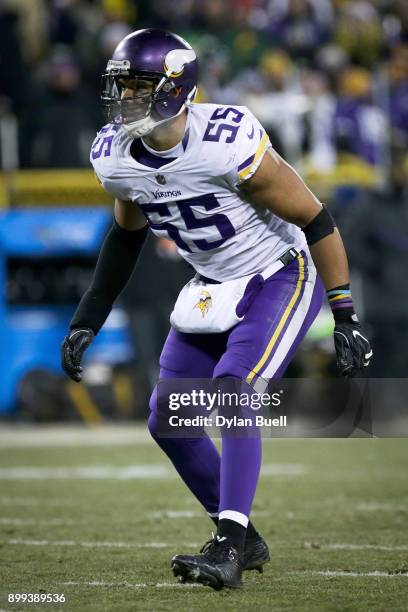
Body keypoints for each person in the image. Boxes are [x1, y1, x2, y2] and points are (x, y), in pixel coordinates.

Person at [61, 28, 373, 590]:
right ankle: (243, 536)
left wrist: (344, 313)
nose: (122, 99)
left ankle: (228, 546)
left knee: (234, 390)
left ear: (174, 89)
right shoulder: (114, 157)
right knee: (167, 418)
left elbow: (316, 219)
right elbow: (125, 236)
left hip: (278, 272)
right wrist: (88, 316)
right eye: (119, 86)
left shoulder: (227, 141)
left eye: (136, 86)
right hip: (211, 283)